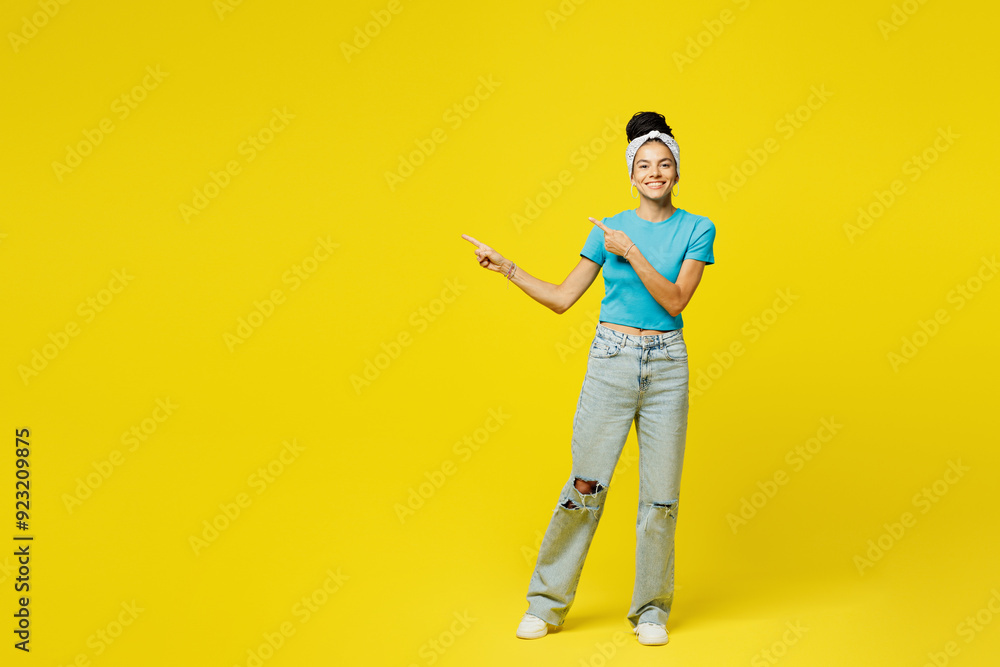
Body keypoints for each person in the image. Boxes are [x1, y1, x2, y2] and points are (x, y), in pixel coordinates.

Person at [461, 111, 716, 647]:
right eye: (644, 165)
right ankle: (546, 604)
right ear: (631, 174)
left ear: (676, 172)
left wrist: (632, 253)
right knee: (585, 486)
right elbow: (560, 298)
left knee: (660, 500)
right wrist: (507, 268)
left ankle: (650, 610)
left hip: (668, 363)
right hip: (612, 359)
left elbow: (674, 300)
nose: (654, 172)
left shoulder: (696, 228)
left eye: (664, 164)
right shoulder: (607, 231)